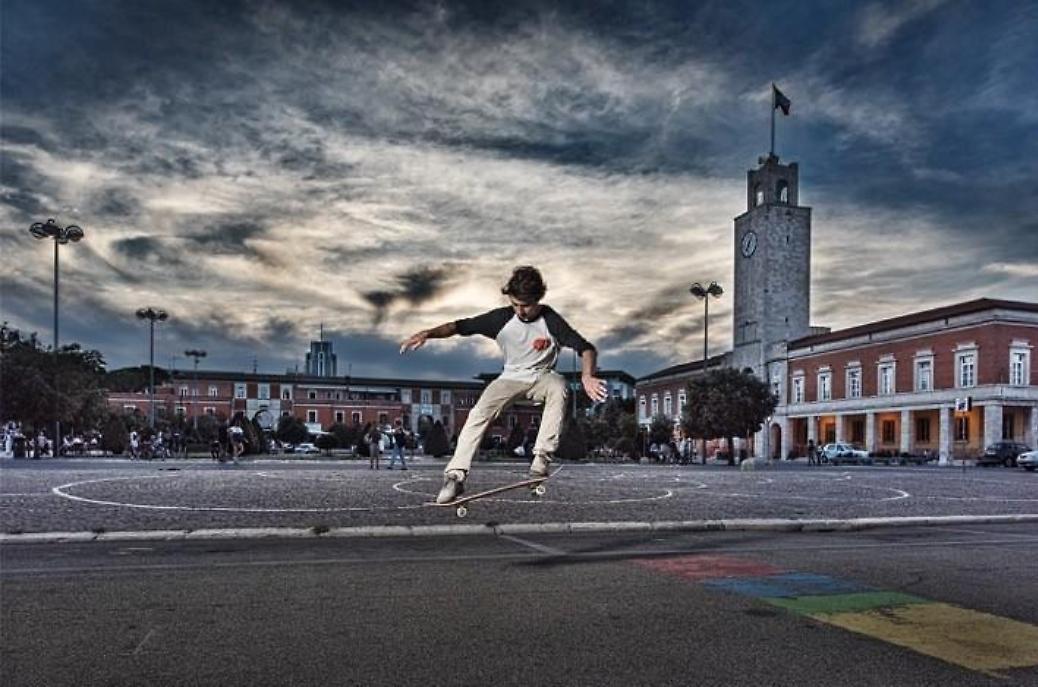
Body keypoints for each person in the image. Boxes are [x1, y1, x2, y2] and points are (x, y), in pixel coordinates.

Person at [400, 265, 607, 504]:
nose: (520, 311)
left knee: (559, 386)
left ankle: (541, 459)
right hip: (509, 379)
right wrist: (428, 333)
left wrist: (587, 376)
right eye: (515, 304)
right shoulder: (500, 318)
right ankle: (455, 476)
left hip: (541, 377)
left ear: (538, 299)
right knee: (478, 413)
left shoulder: (551, 320)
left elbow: (586, 348)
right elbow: (459, 326)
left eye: (526, 305)